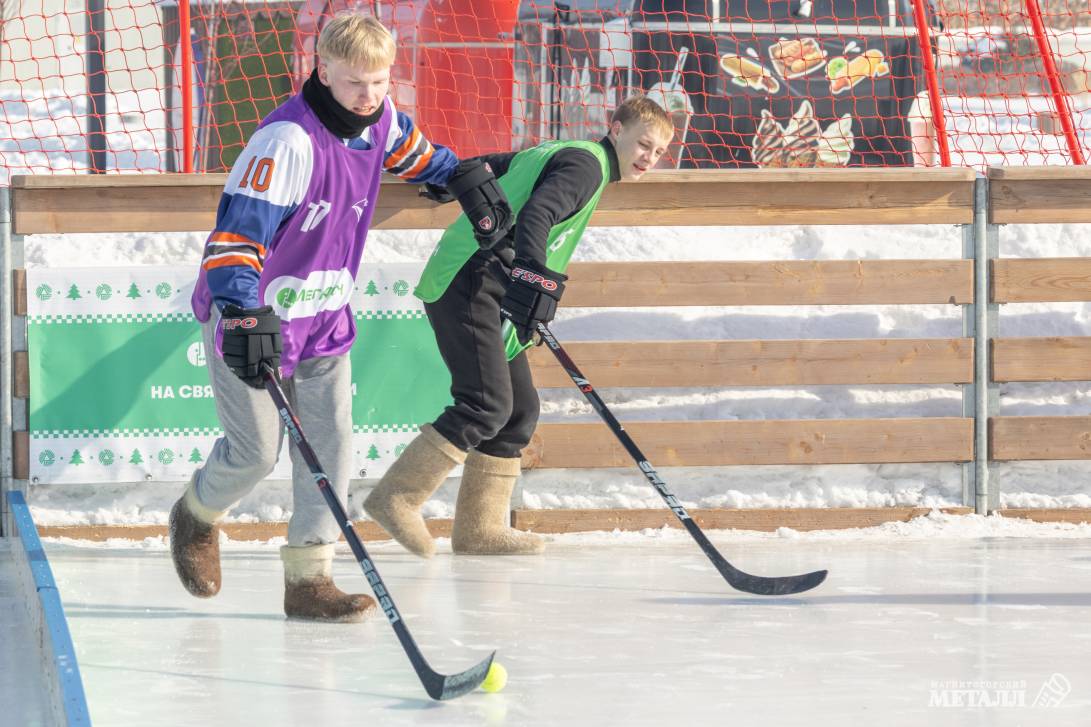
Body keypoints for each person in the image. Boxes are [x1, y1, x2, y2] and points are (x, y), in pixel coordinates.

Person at [168, 13, 511, 622]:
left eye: (381, 83)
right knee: (254, 454)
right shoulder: (286, 143)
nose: (370, 97)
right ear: (323, 70)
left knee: (332, 447)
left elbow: (421, 157)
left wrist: (461, 176)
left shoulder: (382, 122)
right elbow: (231, 243)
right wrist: (246, 313)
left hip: (324, 318)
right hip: (253, 318)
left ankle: (309, 579)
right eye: (356, 83)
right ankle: (195, 514)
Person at [364, 96, 673, 558]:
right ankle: (396, 497)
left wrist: (456, 183)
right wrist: (533, 275)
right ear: (615, 129)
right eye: (643, 144)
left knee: (518, 410)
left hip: (493, 283)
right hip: (470, 277)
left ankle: (479, 529)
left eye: (659, 153)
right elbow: (538, 215)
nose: (648, 158)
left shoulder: (571, 153)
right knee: (486, 404)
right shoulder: (588, 168)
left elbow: (501, 163)